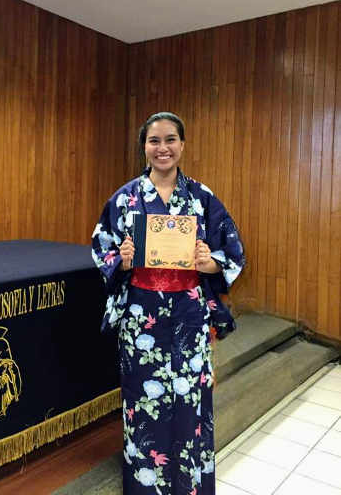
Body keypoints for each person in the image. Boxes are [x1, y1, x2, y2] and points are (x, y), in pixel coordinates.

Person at [92, 112, 245, 495]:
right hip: (141, 316)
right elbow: (101, 247)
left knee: (191, 399)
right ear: (144, 147)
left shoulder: (201, 197)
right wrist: (122, 261)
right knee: (143, 401)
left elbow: (233, 249)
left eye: (171, 139)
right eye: (154, 141)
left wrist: (210, 262)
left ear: (182, 144)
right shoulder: (125, 198)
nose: (163, 148)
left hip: (189, 314)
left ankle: (191, 486)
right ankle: (145, 486)